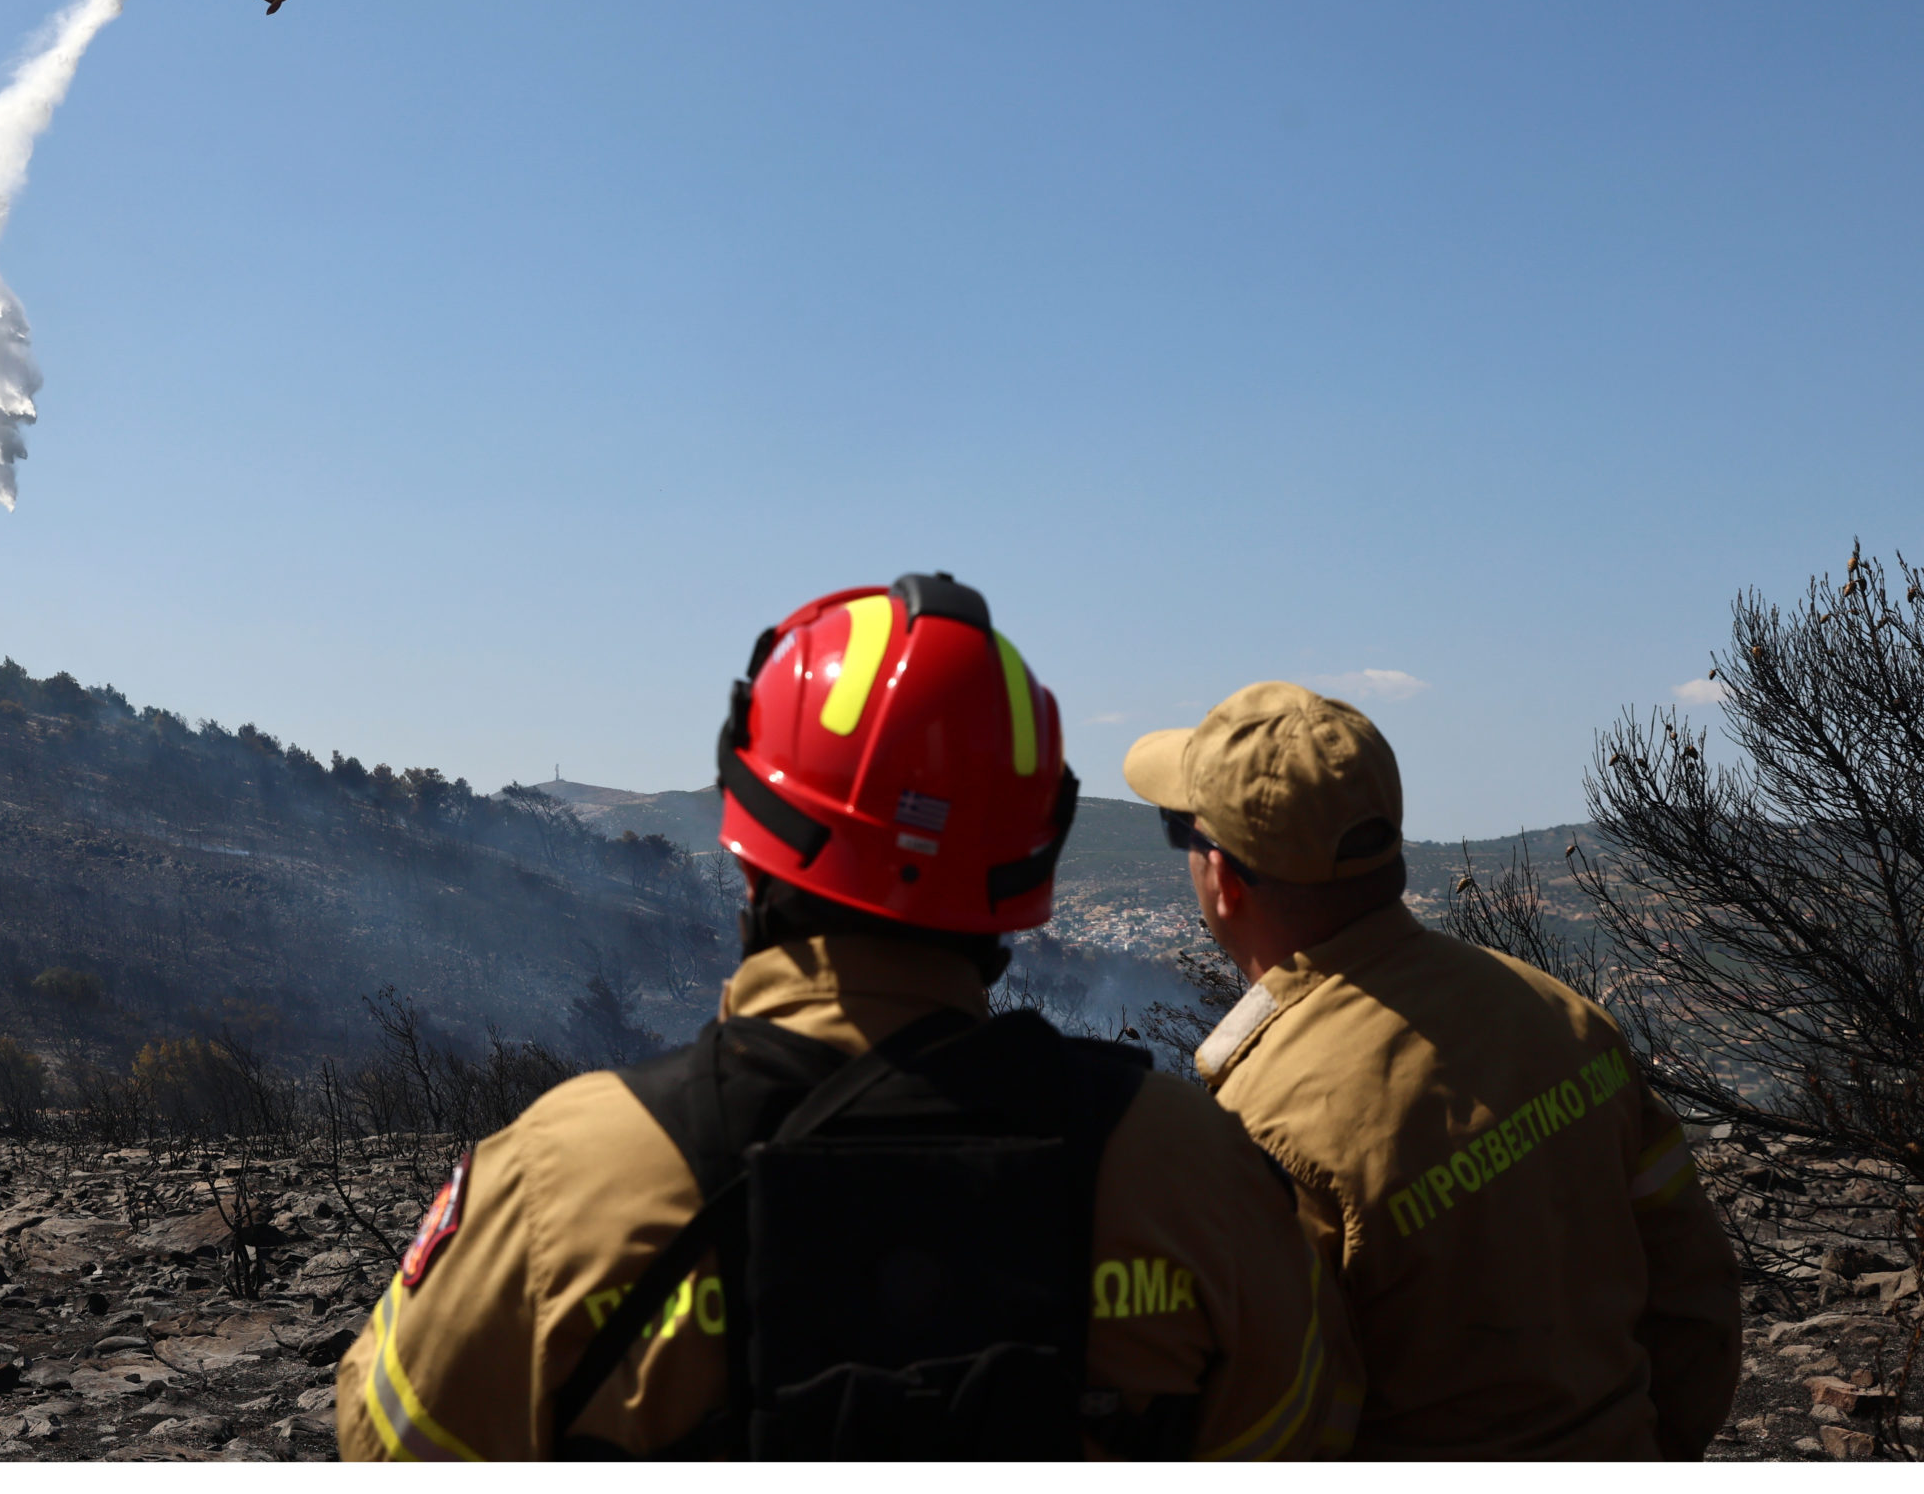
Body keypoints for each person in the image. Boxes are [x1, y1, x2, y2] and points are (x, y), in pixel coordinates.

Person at [339, 576, 1360, 1461]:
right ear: (1030, 854)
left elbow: (389, 1439)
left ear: (750, 836)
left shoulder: (564, 1178)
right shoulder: (1195, 1176)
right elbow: (1311, 1432)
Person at [1122, 681, 1741, 1459]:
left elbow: (1281, 1430)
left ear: (1224, 877)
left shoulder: (1263, 1124)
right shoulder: (1563, 1018)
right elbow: (1697, 1302)